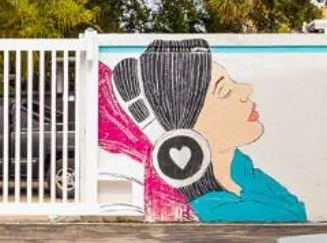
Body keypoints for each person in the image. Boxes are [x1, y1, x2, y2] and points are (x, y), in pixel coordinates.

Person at [106, 38, 307, 224]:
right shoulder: (213, 207)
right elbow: (293, 214)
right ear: (184, 133)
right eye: (225, 91)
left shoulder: (242, 171)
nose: (246, 90)